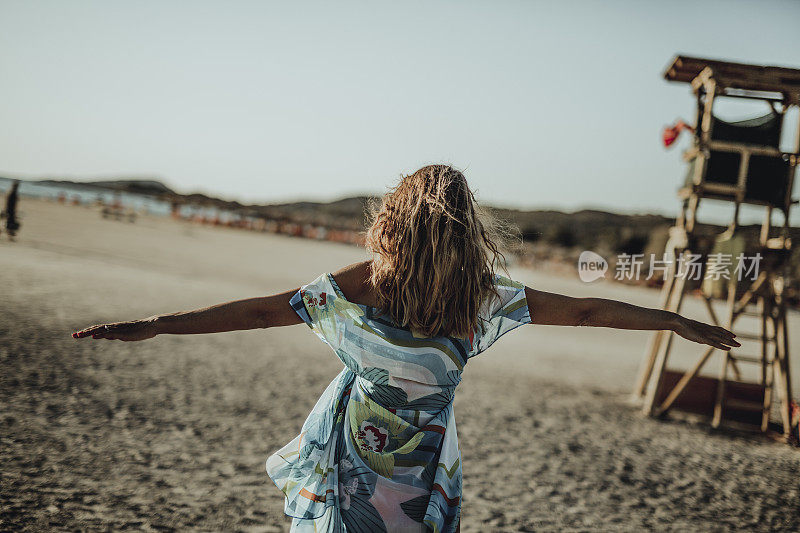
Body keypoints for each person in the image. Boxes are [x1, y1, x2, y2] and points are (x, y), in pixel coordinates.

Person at [72, 165, 740, 532]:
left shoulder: (379, 287)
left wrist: (159, 323)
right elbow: (589, 307)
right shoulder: (476, 296)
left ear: (397, 220)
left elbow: (259, 310)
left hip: (380, 472)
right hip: (403, 476)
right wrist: (670, 320)